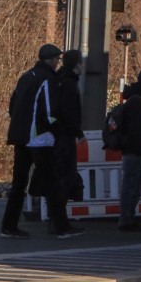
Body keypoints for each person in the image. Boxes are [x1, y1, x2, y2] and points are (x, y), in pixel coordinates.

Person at [1, 44, 82, 239]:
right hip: (39, 138)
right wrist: (56, 129)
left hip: (20, 137)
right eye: (57, 59)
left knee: (18, 184)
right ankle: (62, 227)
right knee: (53, 183)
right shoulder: (48, 80)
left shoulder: (26, 76)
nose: (57, 63)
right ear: (53, 60)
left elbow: (13, 106)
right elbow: (50, 111)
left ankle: (9, 226)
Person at [117, 69, 141, 232]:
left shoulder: (136, 99)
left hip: (133, 149)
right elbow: (135, 129)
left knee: (133, 185)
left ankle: (128, 218)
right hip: (135, 150)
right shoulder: (138, 102)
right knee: (132, 185)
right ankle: (126, 219)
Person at [54, 49, 86, 202]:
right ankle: (60, 220)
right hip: (65, 136)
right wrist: (79, 133)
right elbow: (69, 112)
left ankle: (58, 219)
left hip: (57, 134)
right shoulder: (70, 83)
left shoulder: (58, 79)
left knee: (60, 175)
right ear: (77, 64)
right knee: (67, 175)